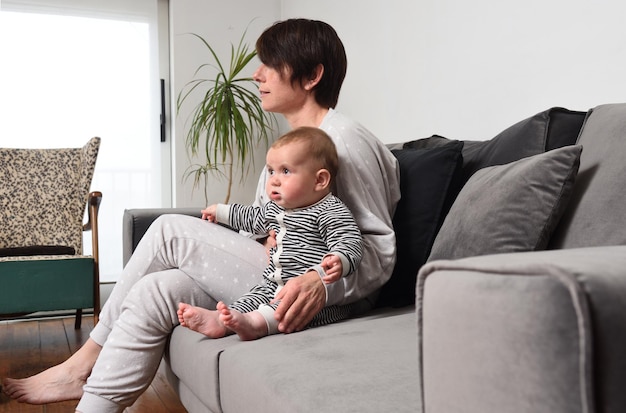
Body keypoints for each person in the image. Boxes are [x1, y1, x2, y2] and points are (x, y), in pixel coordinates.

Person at [1, 18, 400, 412]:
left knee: (169, 230)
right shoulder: (292, 149)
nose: (257, 75)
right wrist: (259, 234)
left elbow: (379, 252)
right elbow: (273, 221)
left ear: (312, 75)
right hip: (272, 276)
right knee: (153, 291)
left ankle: (83, 360)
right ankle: (94, 404)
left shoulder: (344, 140)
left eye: (270, 64)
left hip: (319, 296)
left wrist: (321, 283)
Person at [178, 126, 363, 341]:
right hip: (273, 283)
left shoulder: (330, 209)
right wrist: (221, 211)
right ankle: (222, 320)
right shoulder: (277, 209)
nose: (274, 180)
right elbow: (252, 217)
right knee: (251, 298)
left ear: (319, 180)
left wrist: (340, 260)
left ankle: (255, 325)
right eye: (271, 171)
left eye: (285, 171)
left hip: (306, 294)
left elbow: (349, 240)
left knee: (285, 308)